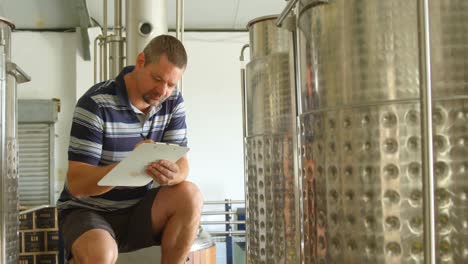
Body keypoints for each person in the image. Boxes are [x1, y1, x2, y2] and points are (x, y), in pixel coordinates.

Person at [57, 35, 203, 264]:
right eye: (157, 78)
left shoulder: (172, 101)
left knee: (190, 194)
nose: (162, 91)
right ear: (141, 61)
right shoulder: (95, 104)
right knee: (101, 253)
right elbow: (77, 184)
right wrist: (128, 166)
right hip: (88, 211)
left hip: (138, 210)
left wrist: (175, 174)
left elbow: (182, 163)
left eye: (171, 84)